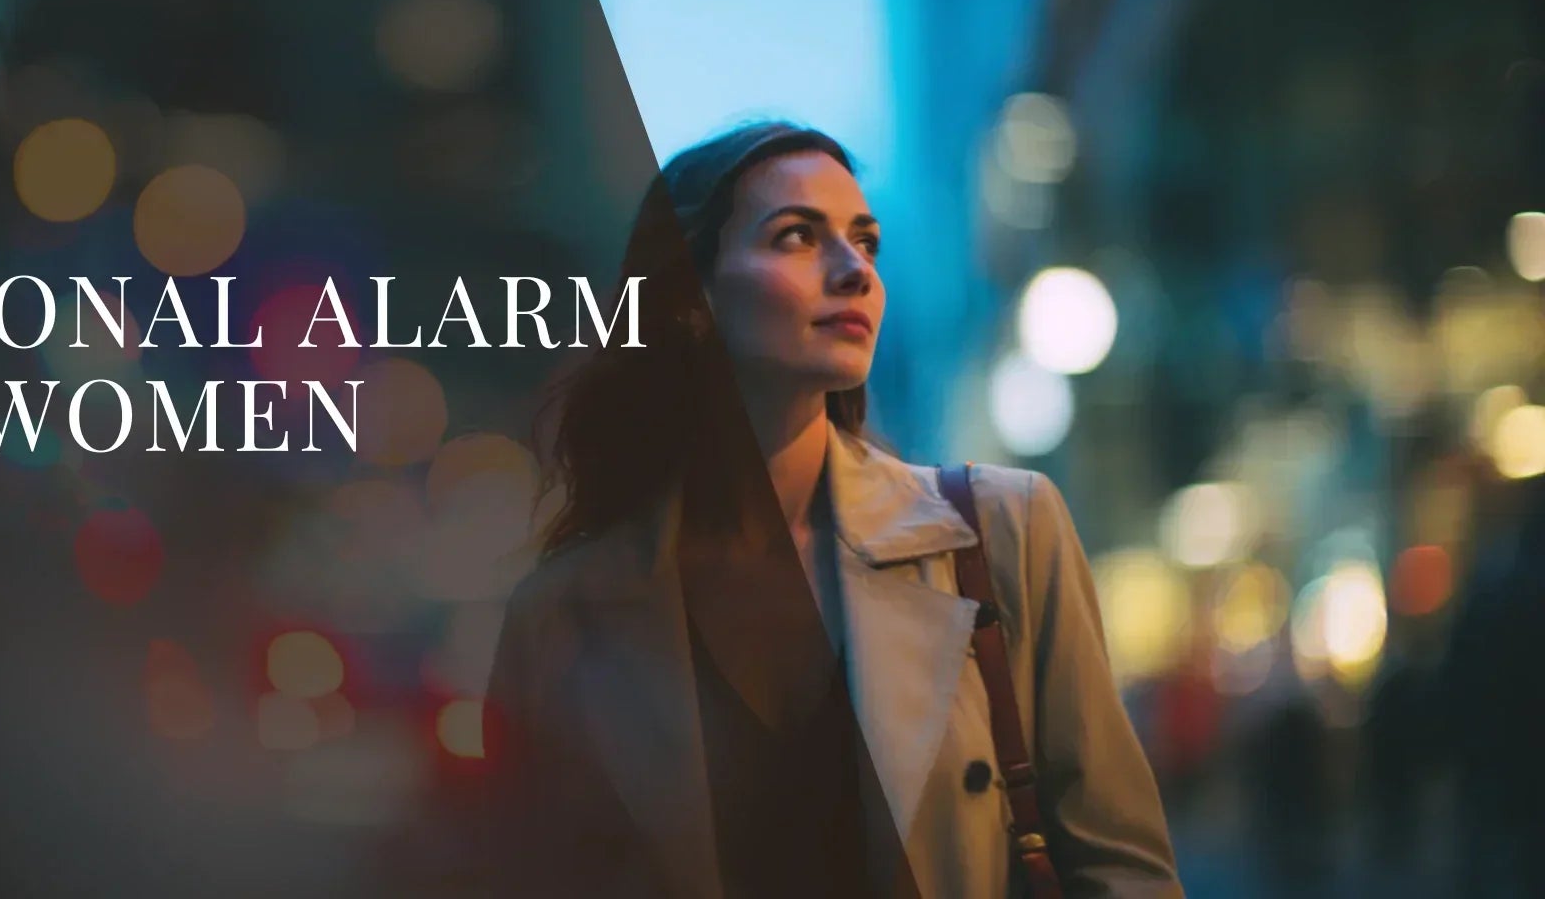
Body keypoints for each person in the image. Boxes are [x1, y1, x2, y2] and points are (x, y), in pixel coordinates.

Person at [479, 121, 1181, 898]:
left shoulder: (1000, 531)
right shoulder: (562, 616)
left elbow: (1125, 871)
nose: (855, 272)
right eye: (796, 237)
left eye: (866, 242)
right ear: (689, 300)